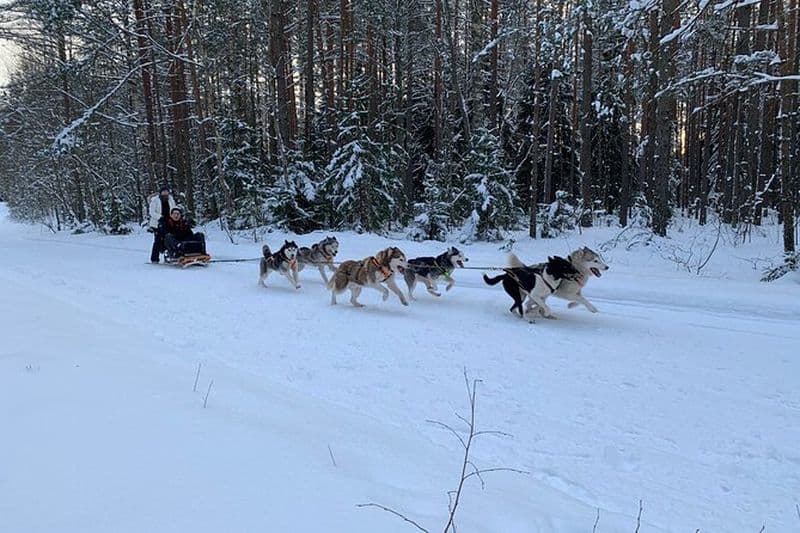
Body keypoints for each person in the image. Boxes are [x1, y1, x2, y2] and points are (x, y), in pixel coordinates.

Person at [148, 185, 176, 263]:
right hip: (157, 223)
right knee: (158, 240)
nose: (165, 193)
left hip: (169, 222)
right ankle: (154, 258)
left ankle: (169, 255)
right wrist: (160, 217)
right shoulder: (155, 200)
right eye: (163, 192)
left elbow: (174, 208)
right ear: (160, 193)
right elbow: (152, 212)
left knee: (169, 239)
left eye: (166, 191)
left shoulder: (170, 199)